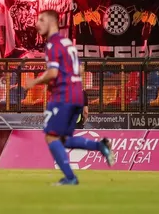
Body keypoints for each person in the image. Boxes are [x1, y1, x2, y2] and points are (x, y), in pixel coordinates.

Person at [26, 10, 114, 185]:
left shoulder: (52, 44)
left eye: (41, 20)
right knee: (63, 140)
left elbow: (53, 72)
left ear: (52, 23)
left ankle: (70, 178)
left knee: (51, 137)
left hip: (63, 96)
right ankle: (100, 146)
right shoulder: (68, 43)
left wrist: (35, 82)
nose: (37, 24)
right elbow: (78, 69)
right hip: (77, 94)